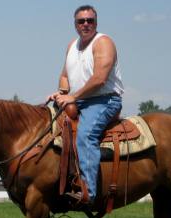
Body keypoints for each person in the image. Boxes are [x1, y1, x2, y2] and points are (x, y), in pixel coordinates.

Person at [48, 5, 124, 205]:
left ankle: (87, 192)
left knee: (86, 134)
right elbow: (65, 75)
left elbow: (99, 78)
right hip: (80, 99)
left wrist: (73, 97)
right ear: (75, 24)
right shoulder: (72, 45)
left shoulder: (103, 43)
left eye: (90, 20)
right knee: (49, 128)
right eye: (81, 21)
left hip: (105, 99)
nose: (86, 24)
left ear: (96, 22)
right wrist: (62, 93)